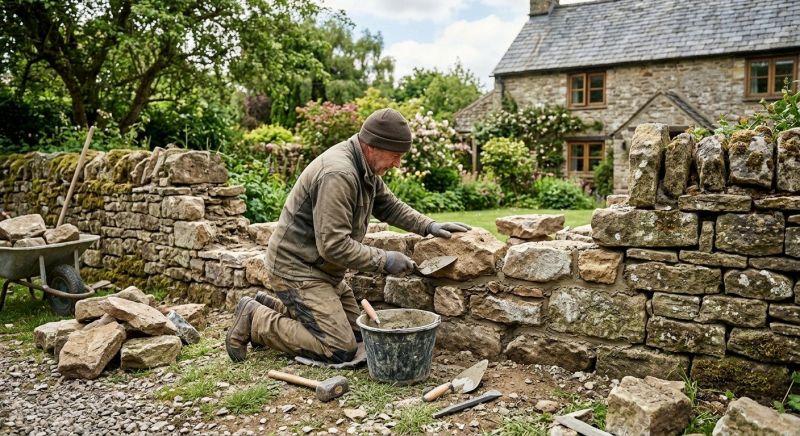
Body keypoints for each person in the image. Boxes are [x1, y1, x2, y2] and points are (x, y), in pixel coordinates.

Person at [225, 108, 470, 364]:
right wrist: (384, 260)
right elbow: (333, 246)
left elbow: (388, 205)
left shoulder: (364, 167)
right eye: (395, 156)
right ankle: (255, 319)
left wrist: (428, 226)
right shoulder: (339, 174)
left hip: (323, 272)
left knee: (360, 332)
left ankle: (272, 306)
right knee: (339, 347)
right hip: (297, 269)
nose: (397, 164)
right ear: (373, 146)